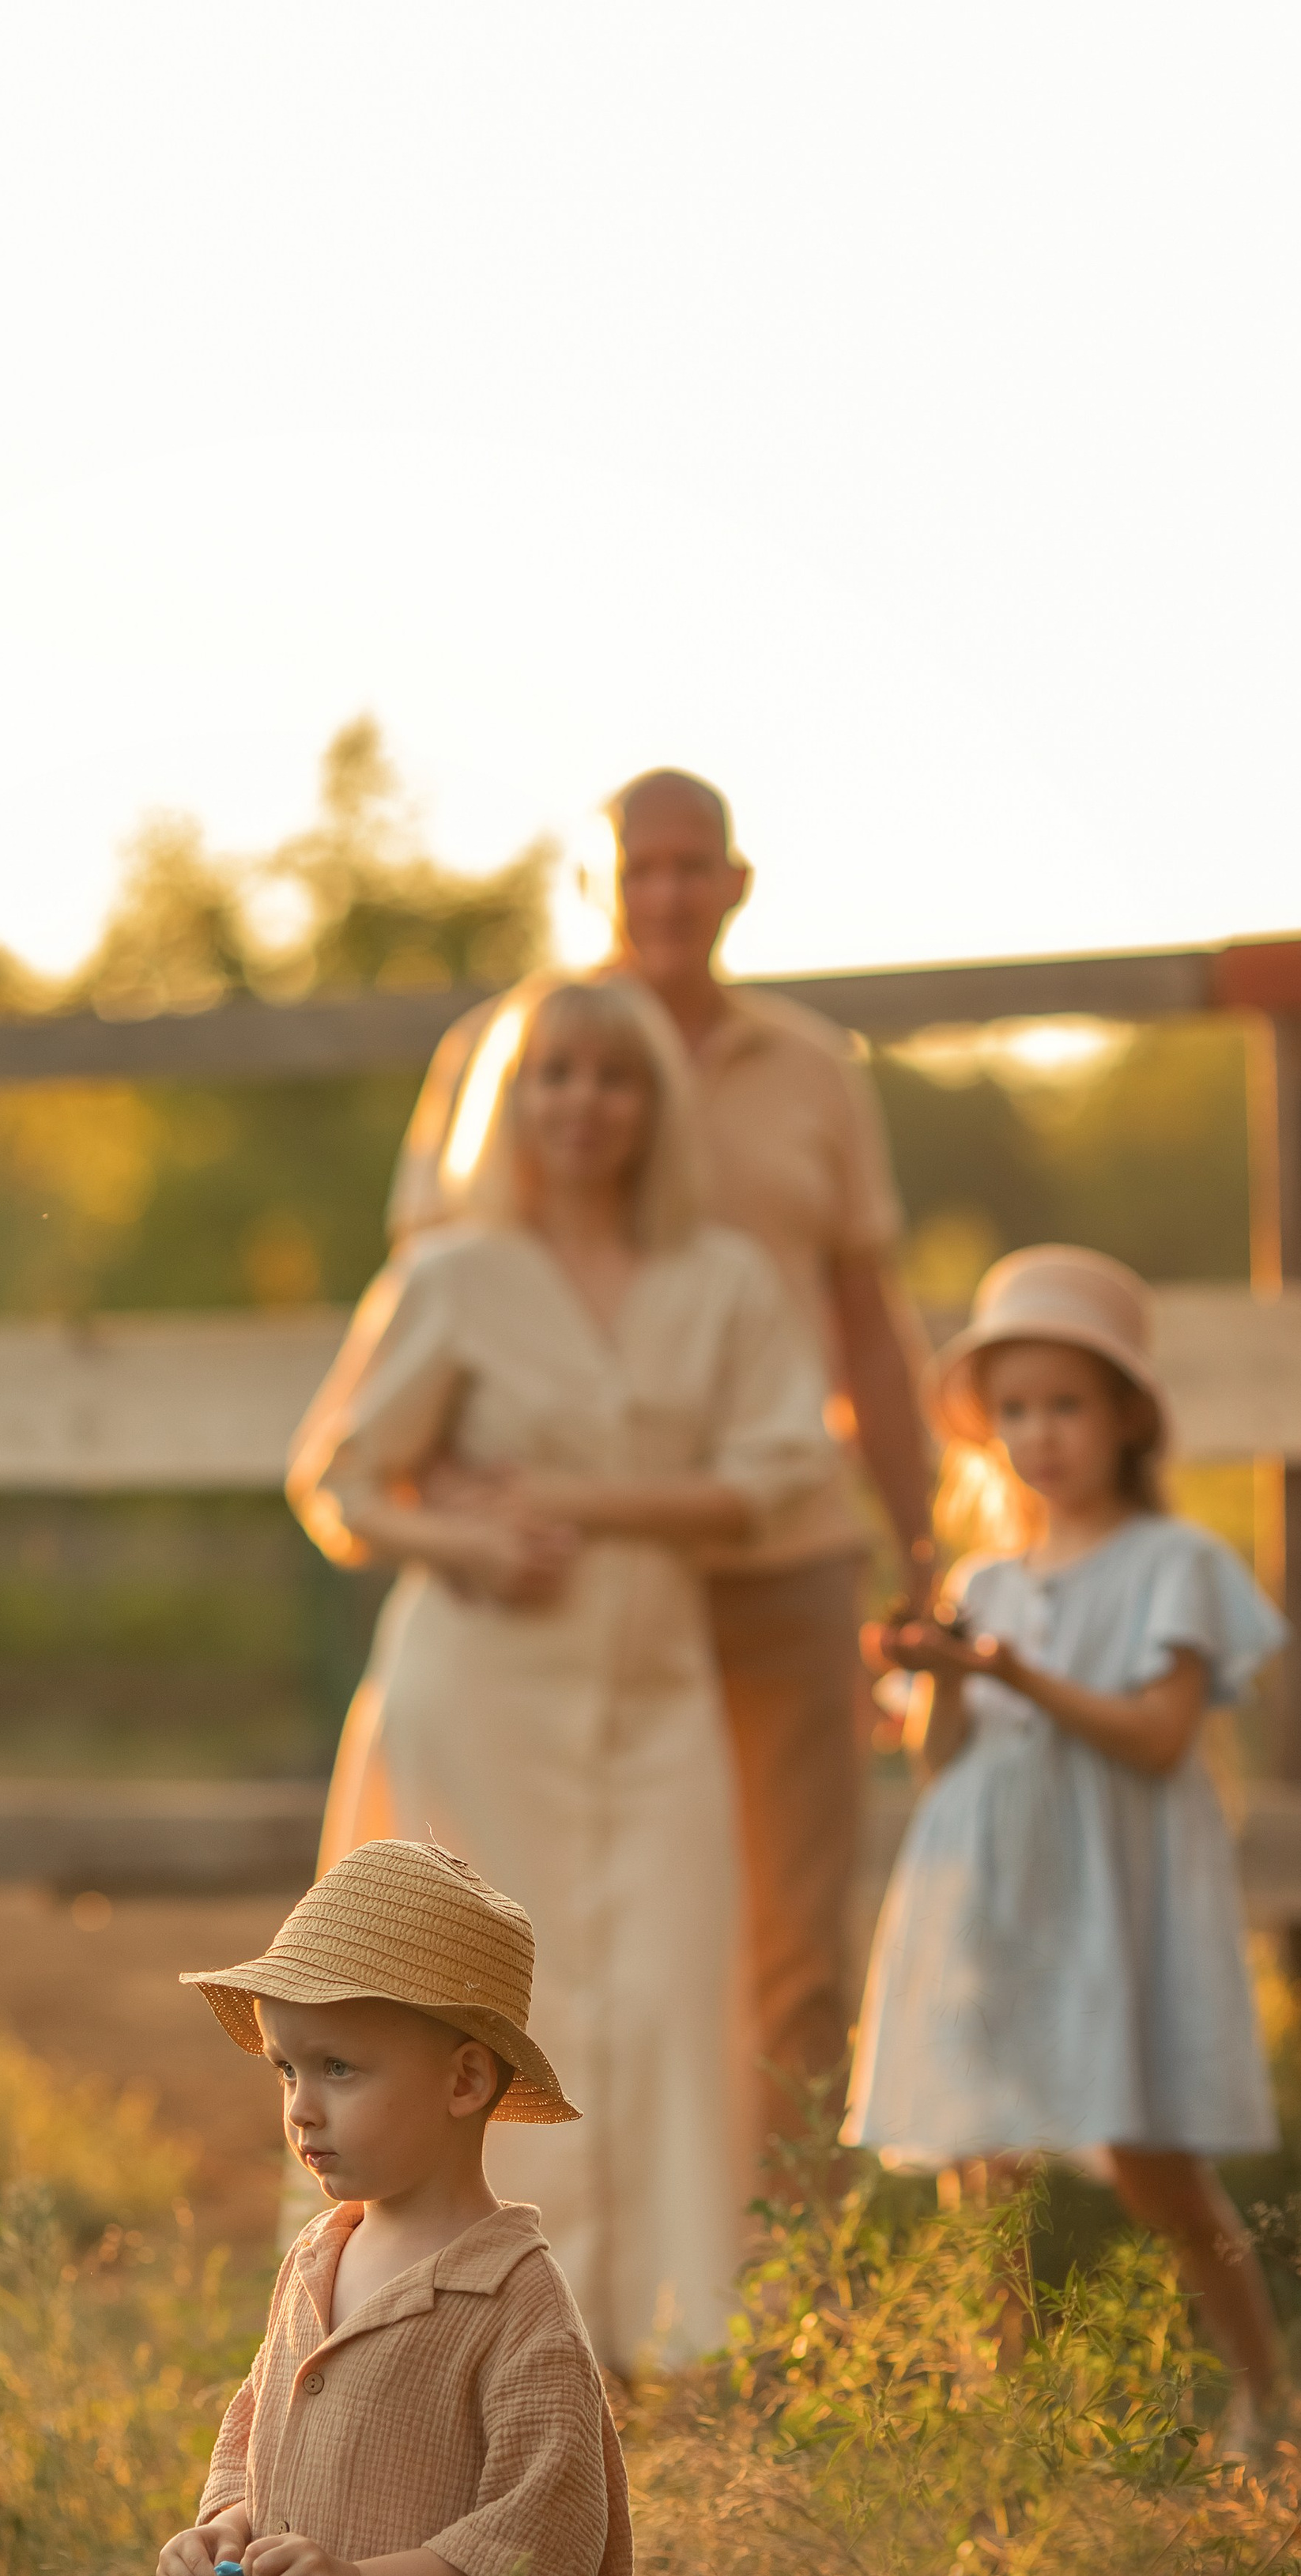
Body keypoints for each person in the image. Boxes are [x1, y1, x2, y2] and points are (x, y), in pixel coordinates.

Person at [288, 971, 833, 2364]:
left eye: (617, 1077)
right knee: (474, 2007)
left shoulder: (723, 1280)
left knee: (663, 1997)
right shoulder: (452, 1277)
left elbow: (778, 1475)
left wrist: (578, 1502)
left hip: (657, 1697)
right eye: (557, 1075)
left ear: (657, 1105)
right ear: (512, 1101)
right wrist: (463, 1539)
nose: (585, 1104)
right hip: (479, 1693)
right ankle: (449, 2325)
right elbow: (339, 1484)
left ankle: (656, 2338)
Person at [387, 767, 933, 2147]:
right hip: (575, 1585)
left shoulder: (813, 1070)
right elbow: (430, 1303)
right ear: (595, 886)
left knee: (792, 1940)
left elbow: (871, 1324)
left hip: (780, 1551)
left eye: (695, 867)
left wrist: (921, 1547)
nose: (669, 894)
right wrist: (453, 1507)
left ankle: (783, 2251)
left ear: (738, 884)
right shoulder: (504, 1049)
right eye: (641, 868)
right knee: (580, 1935)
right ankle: (568, 2235)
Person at [160, 1837, 632, 2576]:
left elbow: (544, 2534)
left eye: (340, 2068)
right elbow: (258, 2435)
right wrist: (220, 2534)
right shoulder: (317, 2257)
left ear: (466, 2081)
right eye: (285, 2068)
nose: (301, 2107)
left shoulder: (514, 2302)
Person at [843, 1245, 1288, 2429]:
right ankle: (1001, 2407)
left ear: (1127, 1414)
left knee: (1152, 2159)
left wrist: (1018, 1676)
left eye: (1067, 1406)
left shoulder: (1172, 1565)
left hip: (1107, 1902)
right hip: (989, 1891)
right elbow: (941, 1757)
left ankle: (1266, 2392)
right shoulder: (985, 1582)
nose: (1039, 1435)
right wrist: (941, 1673)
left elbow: (1158, 1738)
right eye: (1016, 1410)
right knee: (983, 2156)